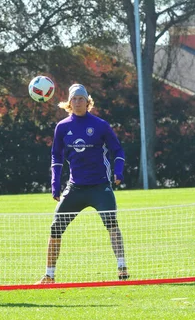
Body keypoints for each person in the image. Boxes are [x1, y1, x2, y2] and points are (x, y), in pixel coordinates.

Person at [36, 83, 128, 284]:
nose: (77, 102)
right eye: (74, 99)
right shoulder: (62, 127)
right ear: (69, 103)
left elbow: (118, 150)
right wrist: (55, 183)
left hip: (100, 187)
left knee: (112, 225)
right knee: (55, 229)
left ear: (88, 102)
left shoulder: (100, 125)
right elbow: (56, 157)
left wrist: (118, 171)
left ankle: (122, 266)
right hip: (75, 188)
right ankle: (49, 275)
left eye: (81, 99)